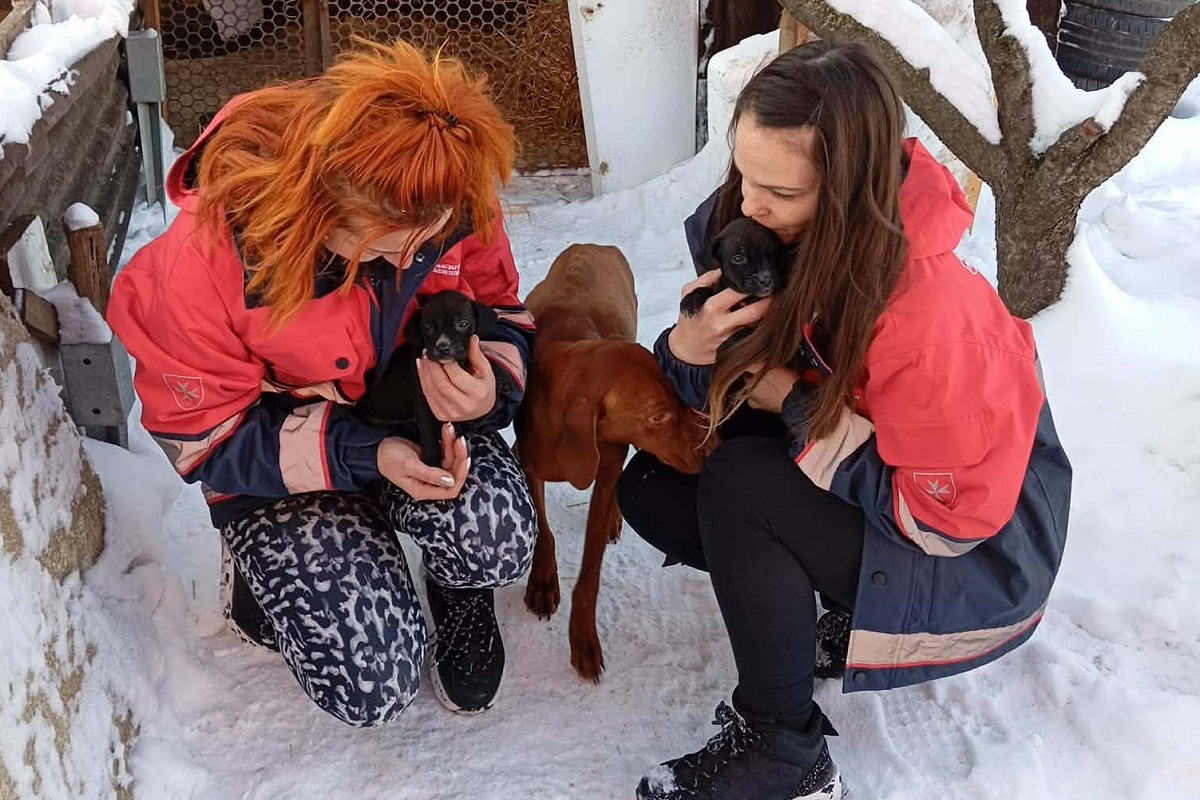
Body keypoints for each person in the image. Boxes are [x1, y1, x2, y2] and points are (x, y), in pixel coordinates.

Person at [617, 40, 1072, 800]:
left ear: (849, 190)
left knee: (740, 486)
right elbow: (725, 394)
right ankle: (829, 612)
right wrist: (685, 348)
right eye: (743, 177)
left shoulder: (931, 317)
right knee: (659, 490)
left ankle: (785, 753)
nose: (749, 209)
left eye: (780, 193)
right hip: (895, 485)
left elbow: (946, 520)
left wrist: (792, 403)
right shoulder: (789, 238)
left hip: (976, 562)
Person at [107, 40, 539, 726]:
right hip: (279, 461)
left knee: (498, 534)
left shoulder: (442, 191)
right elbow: (207, 439)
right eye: (388, 238)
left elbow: (507, 314)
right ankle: (274, 567)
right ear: (319, 203)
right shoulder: (197, 265)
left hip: (415, 421)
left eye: (434, 233)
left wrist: (490, 390)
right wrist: (367, 456)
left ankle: (457, 589)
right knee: (371, 685)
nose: (417, 253)